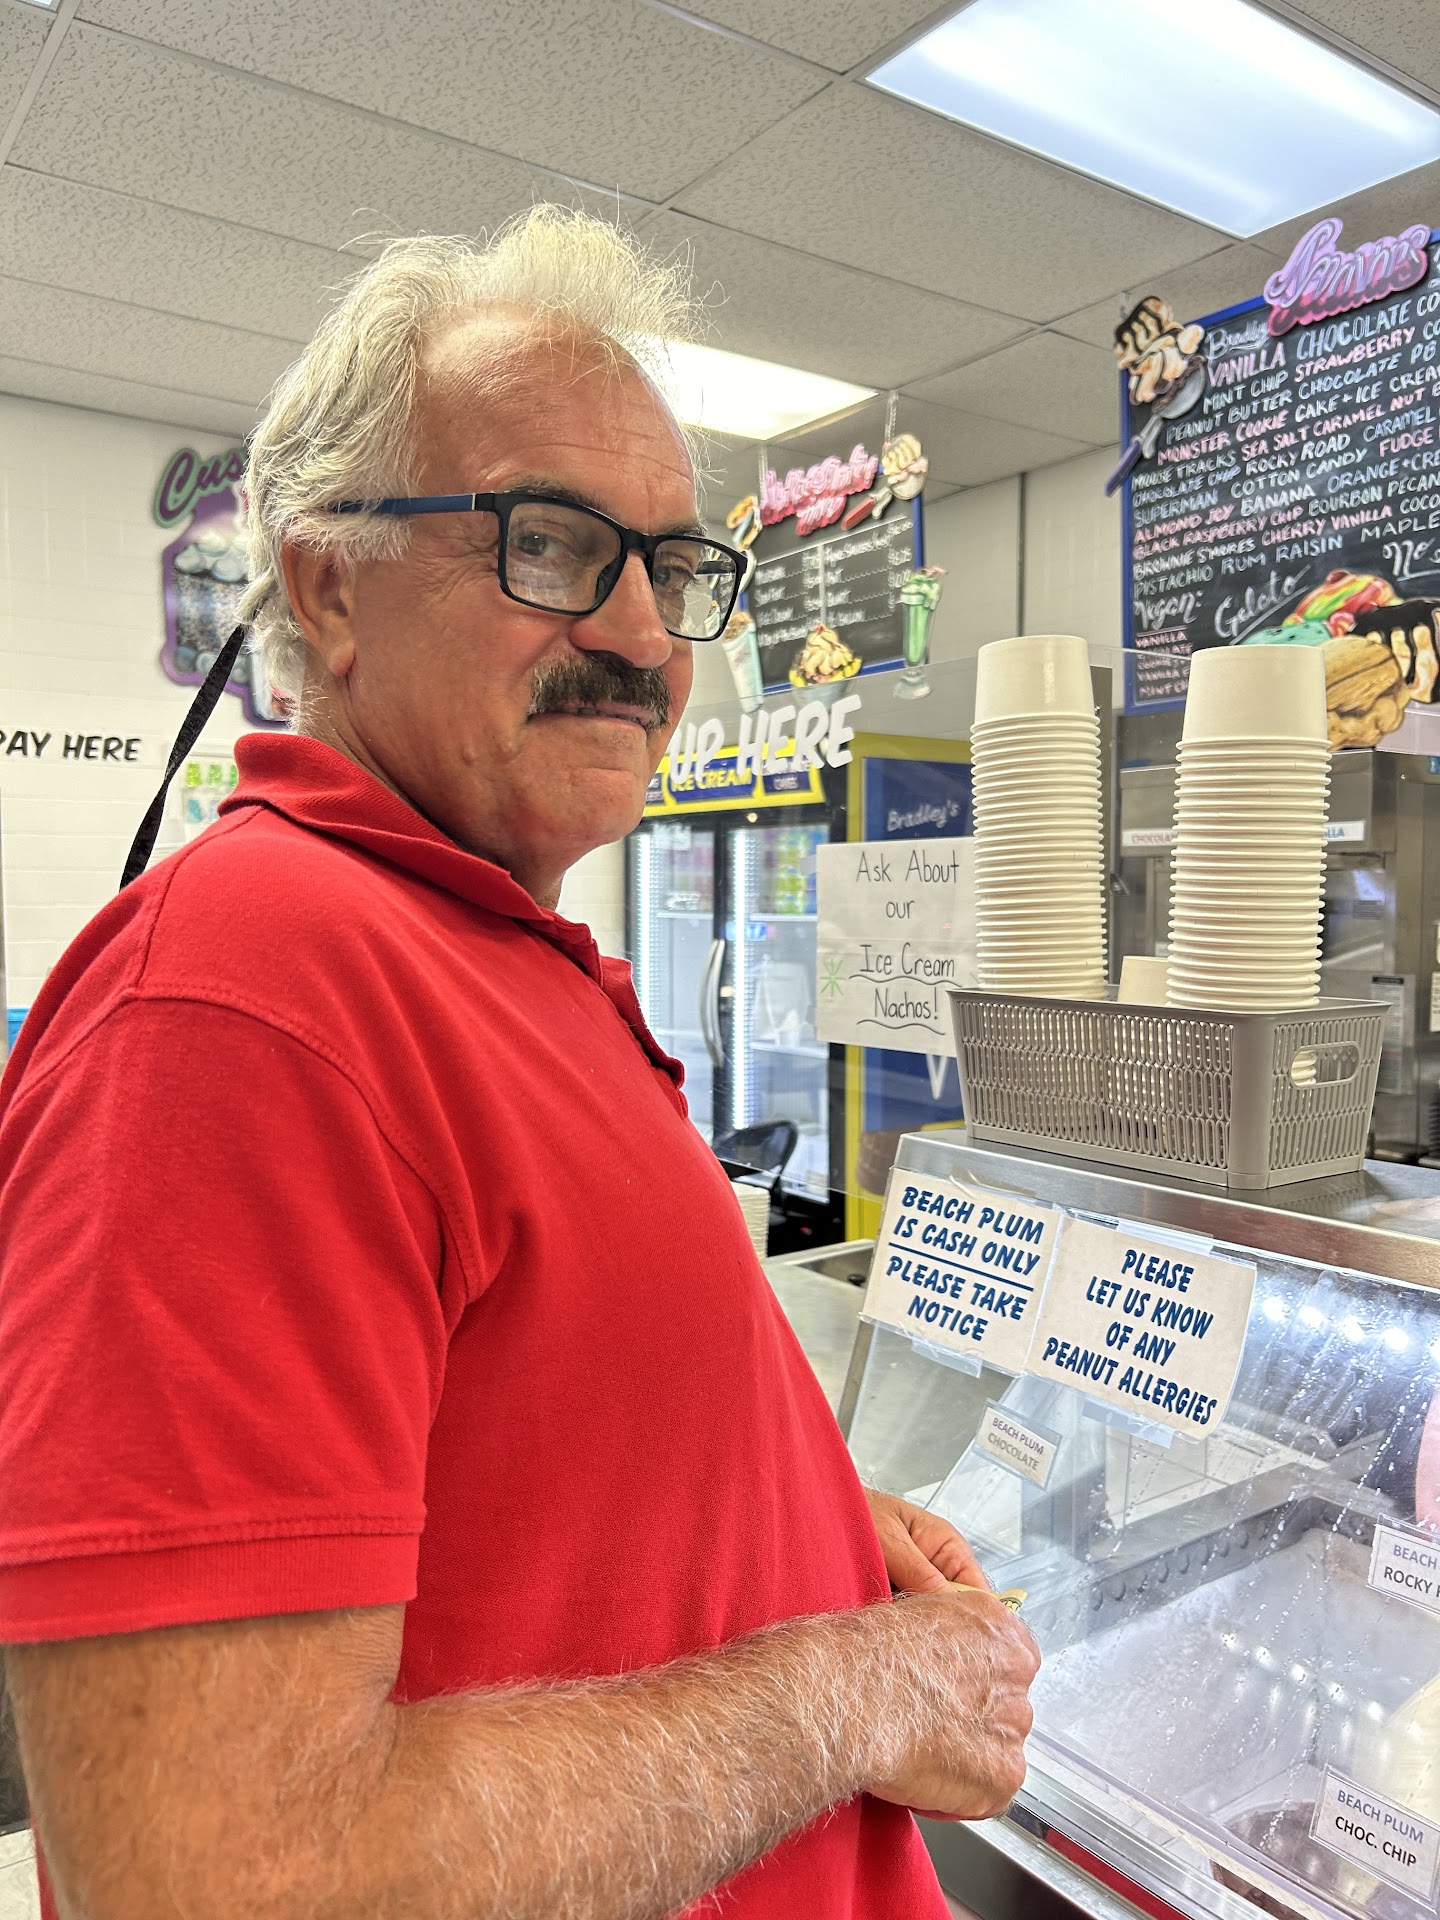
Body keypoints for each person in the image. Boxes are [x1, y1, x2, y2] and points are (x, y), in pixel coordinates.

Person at [0, 208, 1038, 1920]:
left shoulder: (480, 942)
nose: (641, 634)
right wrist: (856, 1686)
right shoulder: (240, 1001)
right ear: (329, 586)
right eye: (550, 544)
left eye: (673, 567)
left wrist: (800, 1517)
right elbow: (226, 1879)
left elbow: (517, 1450)